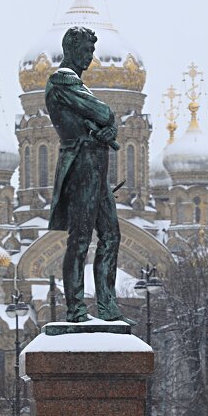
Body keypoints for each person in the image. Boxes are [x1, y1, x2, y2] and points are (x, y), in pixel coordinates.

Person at [45, 26, 131, 324]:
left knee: (111, 235)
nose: (90, 57)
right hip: (81, 165)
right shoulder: (63, 80)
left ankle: (106, 306)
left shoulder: (78, 85)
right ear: (71, 48)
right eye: (86, 50)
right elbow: (103, 112)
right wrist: (106, 123)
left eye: (93, 52)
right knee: (80, 239)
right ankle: (77, 309)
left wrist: (106, 129)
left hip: (97, 168)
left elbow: (100, 120)